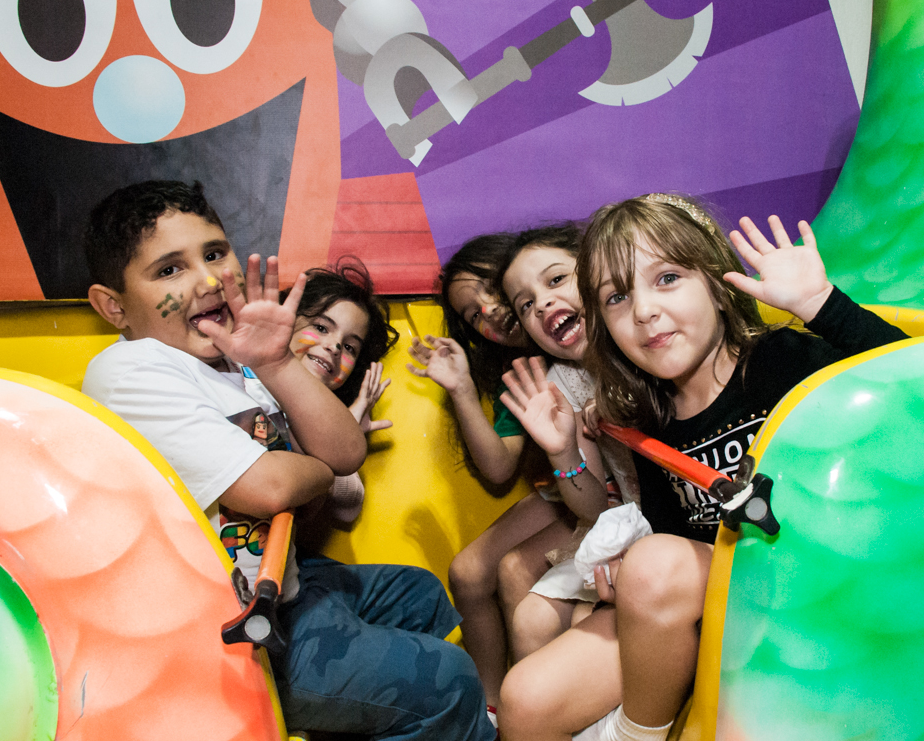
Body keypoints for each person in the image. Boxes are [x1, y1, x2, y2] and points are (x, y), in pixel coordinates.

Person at [80, 180, 494, 741]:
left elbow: (345, 453)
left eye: (213, 254)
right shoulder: (131, 367)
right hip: (228, 638)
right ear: (114, 306)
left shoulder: (239, 362)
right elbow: (272, 488)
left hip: (286, 585)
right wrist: (316, 472)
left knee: (418, 592)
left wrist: (275, 362)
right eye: (169, 270)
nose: (206, 281)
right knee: (449, 679)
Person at [497, 193, 909, 741]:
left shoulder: (778, 360)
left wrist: (821, 303)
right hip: (715, 594)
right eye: (618, 298)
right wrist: (629, 575)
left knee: (655, 564)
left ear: (717, 284)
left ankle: (635, 735)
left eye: (666, 279)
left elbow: (916, 384)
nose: (643, 311)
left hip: (805, 580)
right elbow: (670, 534)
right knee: (523, 701)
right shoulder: (649, 416)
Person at [407, 233, 574, 721]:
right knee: (466, 571)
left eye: (490, 290)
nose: (489, 312)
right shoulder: (520, 370)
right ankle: (490, 706)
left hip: (605, 490)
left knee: (514, 569)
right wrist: (460, 388)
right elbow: (500, 468)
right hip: (564, 489)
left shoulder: (575, 329)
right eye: (473, 316)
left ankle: (532, 709)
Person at [496, 224, 640, 660]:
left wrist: (617, 408)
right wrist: (562, 451)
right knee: (530, 620)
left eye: (555, 280)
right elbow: (594, 509)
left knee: (583, 623)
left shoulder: (645, 337)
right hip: (626, 522)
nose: (541, 303)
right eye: (525, 305)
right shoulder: (565, 381)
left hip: (676, 527)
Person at [286, 259, 398, 526]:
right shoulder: (247, 378)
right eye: (322, 328)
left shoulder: (333, 415)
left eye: (350, 347)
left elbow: (349, 507)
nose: (335, 346)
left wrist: (346, 429)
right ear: (286, 320)